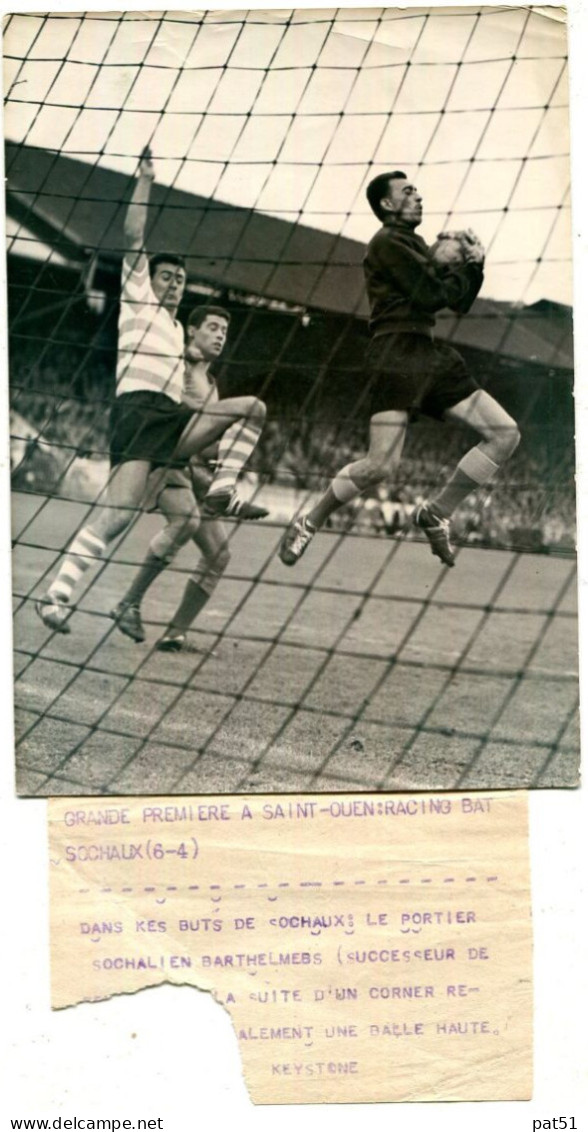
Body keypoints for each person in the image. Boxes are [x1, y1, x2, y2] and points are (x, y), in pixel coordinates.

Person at [36, 148, 267, 633]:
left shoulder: (178, 329)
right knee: (117, 515)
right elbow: (133, 235)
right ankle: (56, 596)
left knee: (250, 411)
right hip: (139, 414)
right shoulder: (137, 297)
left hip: (171, 423)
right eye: (169, 277)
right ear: (150, 279)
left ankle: (224, 486)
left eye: (181, 280)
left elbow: (201, 371)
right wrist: (144, 180)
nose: (176, 284)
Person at [279, 170, 520, 569]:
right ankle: (310, 519)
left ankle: (437, 512)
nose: (418, 197)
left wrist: (474, 264)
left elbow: (457, 302)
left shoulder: (416, 245)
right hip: (394, 354)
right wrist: (460, 265)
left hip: (428, 352)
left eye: (418, 191)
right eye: (408, 192)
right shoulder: (388, 242)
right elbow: (431, 295)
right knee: (381, 466)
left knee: (505, 434)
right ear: (388, 205)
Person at [110, 305, 267, 651]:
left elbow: (207, 442)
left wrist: (222, 458)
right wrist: (183, 351)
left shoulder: (211, 387)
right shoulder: (176, 363)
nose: (220, 335)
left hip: (190, 469)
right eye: (212, 327)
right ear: (191, 330)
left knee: (219, 553)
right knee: (185, 522)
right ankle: (128, 603)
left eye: (224, 330)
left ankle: (175, 632)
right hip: (161, 457)